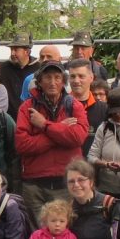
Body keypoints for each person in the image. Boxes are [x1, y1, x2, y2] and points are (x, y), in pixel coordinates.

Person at [16, 61, 88, 218]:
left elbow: (78, 137)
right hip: (34, 185)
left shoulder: (74, 105)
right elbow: (22, 145)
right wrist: (60, 129)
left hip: (67, 183)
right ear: (39, 81)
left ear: (63, 81)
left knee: (66, 232)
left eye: (57, 77)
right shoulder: (27, 108)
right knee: (37, 236)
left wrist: (45, 125)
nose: (53, 82)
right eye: (47, 77)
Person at [87, 86, 120, 207]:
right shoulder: (104, 127)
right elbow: (91, 156)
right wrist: (106, 164)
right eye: (114, 112)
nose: (118, 115)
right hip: (107, 188)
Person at [0, 31, 38, 117]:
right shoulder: (3, 68)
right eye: (11, 49)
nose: (12, 53)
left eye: (16, 50)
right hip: (7, 119)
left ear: (27, 51)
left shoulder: (39, 69)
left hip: (31, 118)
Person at [67, 59, 105, 153]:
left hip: (95, 165)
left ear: (91, 78)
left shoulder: (104, 109)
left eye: (81, 76)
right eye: (72, 76)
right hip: (67, 165)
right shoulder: (60, 107)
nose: (76, 81)